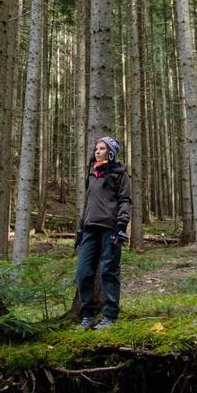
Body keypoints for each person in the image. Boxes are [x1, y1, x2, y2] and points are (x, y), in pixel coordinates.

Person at [74, 135, 131, 330]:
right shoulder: (92, 175)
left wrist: (122, 224)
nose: (97, 151)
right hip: (89, 229)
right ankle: (88, 315)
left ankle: (110, 316)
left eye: (102, 148)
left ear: (111, 152)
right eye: (96, 148)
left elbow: (125, 200)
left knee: (109, 271)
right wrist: (80, 229)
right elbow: (87, 204)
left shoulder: (120, 173)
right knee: (82, 272)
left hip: (111, 228)